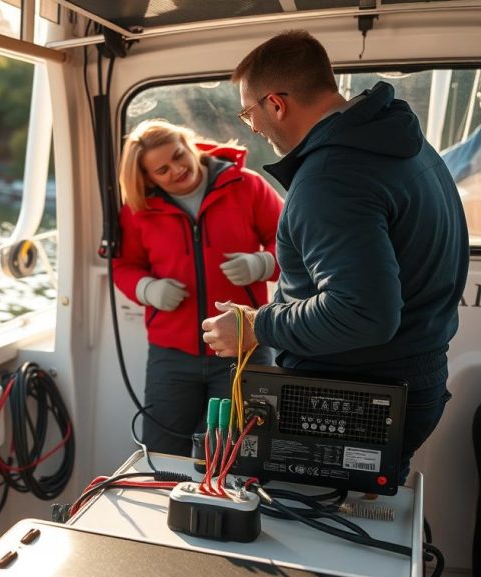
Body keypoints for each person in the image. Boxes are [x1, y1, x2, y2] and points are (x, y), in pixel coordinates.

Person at [201, 30, 469, 482]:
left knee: (315, 532)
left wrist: (255, 326)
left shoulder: (330, 177)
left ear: (276, 104)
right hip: (411, 377)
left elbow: (362, 312)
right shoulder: (401, 142)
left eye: (250, 114)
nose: (255, 129)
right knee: (363, 517)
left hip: (357, 396)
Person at [113, 119, 284, 455]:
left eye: (179, 155)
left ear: (189, 144)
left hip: (243, 347)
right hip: (171, 357)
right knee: (162, 453)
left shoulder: (247, 186)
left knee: (237, 454)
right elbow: (123, 266)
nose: (177, 169)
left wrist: (261, 263)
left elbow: (292, 245)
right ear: (147, 178)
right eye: (162, 170)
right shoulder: (139, 211)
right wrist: (148, 289)